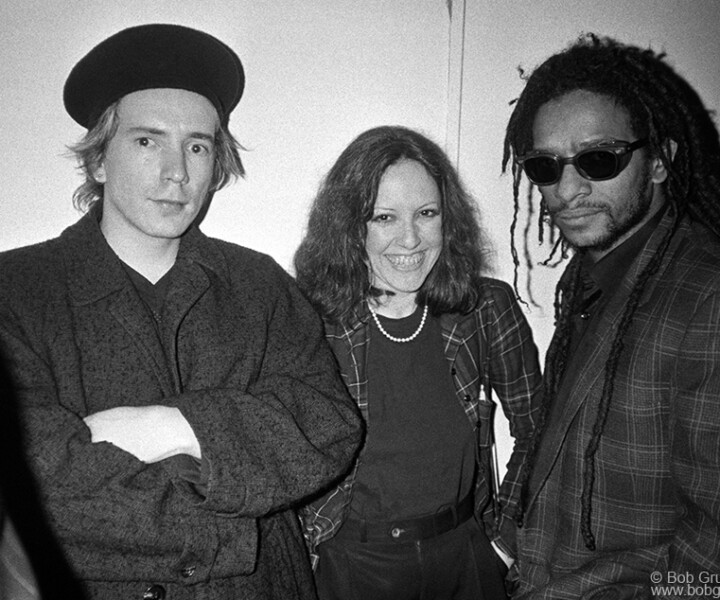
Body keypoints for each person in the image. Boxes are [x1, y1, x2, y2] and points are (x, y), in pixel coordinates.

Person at [0, 24, 363, 600]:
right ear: (99, 160)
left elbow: (328, 427)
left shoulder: (259, 282)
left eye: (197, 145)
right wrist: (233, 510)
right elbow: (38, 488)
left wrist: (173, 427)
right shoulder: (15, 292)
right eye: (148, 141)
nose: (178, 172)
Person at [502, 33, 720, 599]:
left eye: (599, 159)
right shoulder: (589, 279)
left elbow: (713, 564)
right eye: (545, 166)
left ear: (660, 162)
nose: (568, 190)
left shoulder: (706, 296)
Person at [295, 125, 542, 600]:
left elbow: (541, 430)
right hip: (349, 566)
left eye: (426, 213)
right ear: (349, 226)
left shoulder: (484, 308)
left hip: (466, 558)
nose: (409, 239)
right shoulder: (309, 321)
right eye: (384, 217)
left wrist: (505, 542)